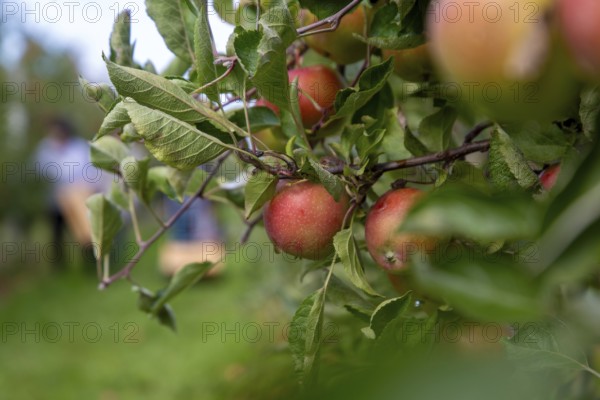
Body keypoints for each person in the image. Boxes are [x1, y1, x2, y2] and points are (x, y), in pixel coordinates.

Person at [35, 117, 102, 267]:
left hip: (80, 196)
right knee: (57, 233)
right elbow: (39, 173)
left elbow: (91, 169)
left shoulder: (79, 147)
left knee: (84, 228)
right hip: (54, 200)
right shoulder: (44, 149)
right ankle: (58, 264)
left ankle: (90, 260)